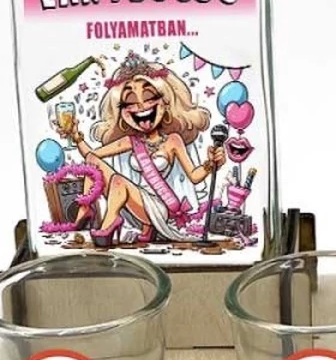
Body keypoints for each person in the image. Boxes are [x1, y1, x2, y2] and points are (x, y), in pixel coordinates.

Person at [66, 53, 226, 244]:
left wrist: (211, 164)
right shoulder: (131, 141)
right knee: (94, 163)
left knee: (118, 181)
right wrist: (76, 136)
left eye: (150, 98)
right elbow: (91, 156)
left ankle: (109, 223)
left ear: (165, 103)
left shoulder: (173, 141)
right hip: (138, 203)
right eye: (131, 103)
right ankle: (86, 208)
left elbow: (194, 176)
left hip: (162, 206)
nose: (141, 107)